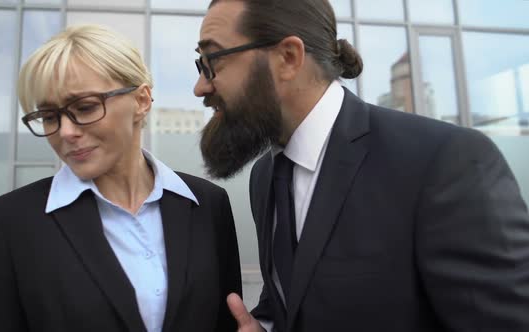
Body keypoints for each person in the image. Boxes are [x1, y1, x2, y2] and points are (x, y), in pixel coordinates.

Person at [193, 0, 529, 331]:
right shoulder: (265, 176)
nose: (200, 87)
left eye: (212, 61)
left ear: (288, 58)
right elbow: (293, 296)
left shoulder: (443, 161)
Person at [0, 24, 241, 332]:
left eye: (84, 108)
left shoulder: (207, 204)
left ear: (141, 100)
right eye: (48, 117)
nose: (66, 132)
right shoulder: (11, 221)